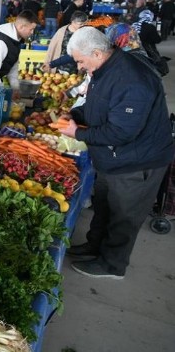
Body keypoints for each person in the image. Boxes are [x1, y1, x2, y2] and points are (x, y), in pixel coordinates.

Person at [59, 27, 174, 279]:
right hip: (113, 157)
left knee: (124, 213)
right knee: (104, 205)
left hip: (137, 160)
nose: (78, 67)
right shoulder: (107, 69)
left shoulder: (132, 81)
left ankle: (112, 265)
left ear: (97, 53)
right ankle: (94, 246)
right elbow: (99, 104)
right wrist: (76, 115)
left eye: (80, 61)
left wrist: (78, 134)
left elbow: (121, 133)